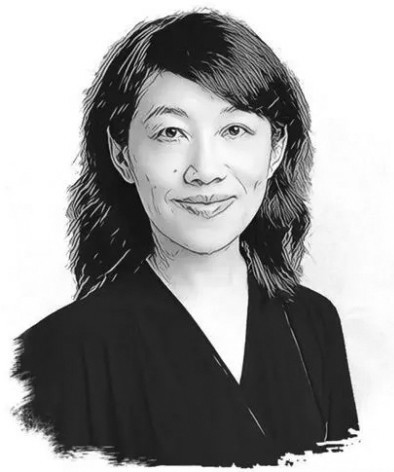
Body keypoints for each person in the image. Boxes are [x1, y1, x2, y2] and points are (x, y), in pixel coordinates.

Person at [12, 9, 359, 467]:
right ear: (122, 154)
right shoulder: (54, 354)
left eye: (235, 130)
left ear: (276, 149)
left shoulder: (314, 322)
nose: (205, 170)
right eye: (171, 132)